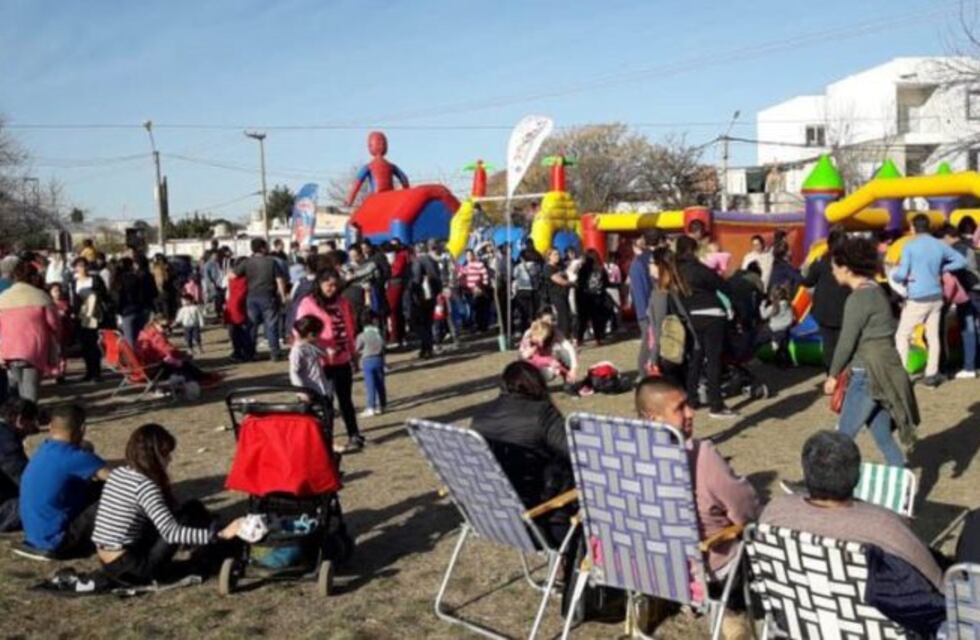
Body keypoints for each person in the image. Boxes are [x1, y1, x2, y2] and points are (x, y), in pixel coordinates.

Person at [764, 431, 962, 637]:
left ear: (805, 472)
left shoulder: (776, 512)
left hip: (801, 623)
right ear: (857, 476)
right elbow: (937, 585)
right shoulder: (883, 524)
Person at [635, 377, 760, 577]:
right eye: (680, 408)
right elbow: (745, 509)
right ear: (653, 418)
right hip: (708, 566)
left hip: (649, 566)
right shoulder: (700, 455)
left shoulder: (627, 457)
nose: (691, 413)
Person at [92, 424, 243, 586]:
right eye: (166, 454)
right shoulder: (144, 486)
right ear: (154, 457)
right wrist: (221, 534)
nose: (170, 459)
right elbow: (171, 532)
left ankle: (214, 547)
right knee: (185, 519)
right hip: (133, 568)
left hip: (109, 560)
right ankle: (221, 548)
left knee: (190, 509)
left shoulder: (119, 473)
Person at [826, 237, 918, 466]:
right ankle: (901, 480)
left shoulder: (858, 298)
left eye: (834, 268)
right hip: (884, 369)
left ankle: (822, 487)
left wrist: (832, 375)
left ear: (846, 268)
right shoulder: (876, 290)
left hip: (867, 372)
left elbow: (847, 341)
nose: (833, 272)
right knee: (882, 435)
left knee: (843, 436)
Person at [471, 361, 573, 542]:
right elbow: (575, 453)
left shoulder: (480, 416)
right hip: (542, 519)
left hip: (492, 516)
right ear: (538, 385)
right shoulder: (542, 414)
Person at [19, 404, 109, 558]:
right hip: (58, 541)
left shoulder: (43, 450)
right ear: (82, 429)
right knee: (118, 494)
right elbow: (121, 481)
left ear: (50, 427)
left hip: (34, 535)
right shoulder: (76, 457)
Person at [892, 214, 967, 387]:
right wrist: (942, 268)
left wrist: (896, 276)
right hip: (936, 296)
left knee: (902, 334)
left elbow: (901, 275)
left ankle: (902, 374)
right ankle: (932, 374)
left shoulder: (910, 246)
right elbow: (961, 261)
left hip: (918, 298)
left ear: (913, 228)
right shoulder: (939, 245)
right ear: (928, 227)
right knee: (933, 336)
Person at [295, 268, 365, 452]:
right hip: (320, 363)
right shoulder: (308, 303)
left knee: (346, 400)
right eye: (329, 285)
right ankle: (326, 438)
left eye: (336, 285)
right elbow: (300, 332)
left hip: (342, 359)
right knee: (326, 402)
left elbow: (349, 330)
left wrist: (354, 355)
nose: (332, 289)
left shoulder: (342, 302)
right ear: (320, 283)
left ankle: (354, 434)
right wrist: (320, 348)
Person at [675, 236, 737, 418]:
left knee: (696, 357)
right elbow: (724, 287)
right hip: (712, 314)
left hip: (692, 316)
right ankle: (716, 404)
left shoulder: (677, 271)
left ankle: (691, 398)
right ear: (694, 250)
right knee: (713, 359)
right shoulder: (700, 269)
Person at [801, 226, 851, 371]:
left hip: (825, 310)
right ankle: (844, 373)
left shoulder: (822, 261)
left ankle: (831, 374)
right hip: (846, 309)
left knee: (828, 344)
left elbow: (809, 281)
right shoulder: (852, 263)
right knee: (845, 343)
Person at [233, 238, 289, 362]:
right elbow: (279, 280)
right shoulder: (272, 262)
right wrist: (283, 296)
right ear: (263, 248)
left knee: (252, 326)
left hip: (251, 297)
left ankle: (250, 353)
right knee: (271, 325)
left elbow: (233, 275)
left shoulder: (247, 262)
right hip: (268, 296)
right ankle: (274, 353)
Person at [943, 219, 980, 378]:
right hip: (977, 289)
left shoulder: (956, 250)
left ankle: (970, 366)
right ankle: (976, 363)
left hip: (968, 293)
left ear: (947, 236)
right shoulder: (971, 246)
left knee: (968, 329)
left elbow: (959, 269)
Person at [137, 314, 214, 386]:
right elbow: (169, 351)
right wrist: (183, 355)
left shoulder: (145, 333)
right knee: (183, 364)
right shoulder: (155, 336)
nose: (167, 329)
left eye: (168, 326)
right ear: (155, 324)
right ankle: (202, 379)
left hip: (146, 367)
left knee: (179, 362)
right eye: (164, 326)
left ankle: (203, 377)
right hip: (154, 369)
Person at [0, 398, 39, 531]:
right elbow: (27, 483)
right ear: (20, 420)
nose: (34, 428)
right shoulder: (8, 445)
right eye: (32, 422)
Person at [518, 309, 579, 389]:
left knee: (564, 352)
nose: (550, 323)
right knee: (548, 372)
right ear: (539, 320)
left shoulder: (554, 332)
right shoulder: (531, 335)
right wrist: (549, 361)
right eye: (547, 320)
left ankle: (569, 382)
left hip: (546, 361)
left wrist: (573, 369)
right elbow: (531, 358)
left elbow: (570, 348)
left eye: (552, 320)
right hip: (533, 366)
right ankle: (532, 385)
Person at [72, 257, 110, 383]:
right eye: (79, 266)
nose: (82, 268)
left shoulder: (95, 280)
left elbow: (104, 296)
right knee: (85, 345)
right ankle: (88, 371)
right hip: (81, 317)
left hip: (94, 316)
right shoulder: (74, 282)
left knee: (94, 345)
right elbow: (74, 300)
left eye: (84, 265)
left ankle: (96, 373)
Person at [289, 316, 334, 402]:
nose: (320, 336)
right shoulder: (297, 351)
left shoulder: (311, 345)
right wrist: (302, 392)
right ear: (311, 335)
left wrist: (328, 351)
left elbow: (321, 351)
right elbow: (294, 372)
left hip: (322, 389)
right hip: (309, 392)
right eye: (319, 334)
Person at [409, 243, 442, 359]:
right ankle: (426, 348)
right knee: (428, 323)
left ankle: (427, 348)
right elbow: (438, 277)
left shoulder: (418, 261)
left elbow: (416, 279)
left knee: (420, 323)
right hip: (432, 294)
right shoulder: (432, 260)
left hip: (421, 296)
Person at [628, 233, 655, 376]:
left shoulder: (640, 262)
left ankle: (645, 370)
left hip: (646, 307)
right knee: (648, 338)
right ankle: (643, 371)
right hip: (646, 308)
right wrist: (645, 311)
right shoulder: (639, 264)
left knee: (649, 338)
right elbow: (641, 289)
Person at [356, 310, 387, 417]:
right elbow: (383, 346)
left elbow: (357, 349)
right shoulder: (378, 333)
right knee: (380, 384)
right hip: (379, 359)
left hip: (367, 361)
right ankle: (382, 405)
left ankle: (371, 407)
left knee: (370, 385)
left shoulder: (361, 336)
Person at [575, 249, 609, 345]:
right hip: (598, 297)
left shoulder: (583, 269)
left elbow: (579, 284)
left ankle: (579, 339)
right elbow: (606, 282)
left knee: (583, 319)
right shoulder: (601, 269)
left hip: (584, 297)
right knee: (597, 319)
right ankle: (598, 339)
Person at [759, 283, 794, 366]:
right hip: (785, 329)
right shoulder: (788, 306)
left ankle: (773, 349)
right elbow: (791, 318)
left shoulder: (773, 307)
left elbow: (763, 316)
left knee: (760, 337)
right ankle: (784, 359)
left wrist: (762, 306)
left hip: (773, 329)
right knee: (784, 346)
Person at [542, 248, 573, 338]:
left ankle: (566, 336)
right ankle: (563, 338)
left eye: (558, 254)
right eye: (555, 254)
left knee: (567, 316)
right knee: (563, 318)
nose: (557, 256)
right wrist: (571, 283)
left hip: (564, 294)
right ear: (549, 257)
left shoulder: (559, 267)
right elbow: (558, 280)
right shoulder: (548, 268)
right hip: (556, 295)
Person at [224, 259, 249, 362]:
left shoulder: (230, 278)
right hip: (241, 306)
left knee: (234, 332)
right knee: (243, 332)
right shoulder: (246, 279)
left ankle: (237, 352)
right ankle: (243, 352)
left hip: (231, 305)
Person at [460, 249, 491, 333]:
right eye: (467, 256)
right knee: (472, 310)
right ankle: (475, 326)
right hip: (469, 291)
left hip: (479, 290)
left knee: (481, 309)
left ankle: (483, 327)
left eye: (470, 255)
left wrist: (482, 286)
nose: (469, 257)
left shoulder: (479, 264)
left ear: (473, 255)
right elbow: (461, 278)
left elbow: (485, 276)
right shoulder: (465, 267)